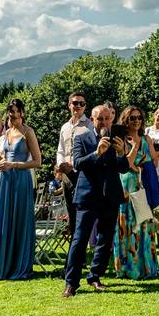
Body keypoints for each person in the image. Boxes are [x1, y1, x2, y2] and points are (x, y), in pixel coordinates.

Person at [62, 105, 129, 298]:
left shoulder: (118, 139)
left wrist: (121, 153)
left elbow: (124, 168)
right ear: (92, 119)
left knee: (105, 238)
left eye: (108, 118)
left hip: (111, 195)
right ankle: (71, 283)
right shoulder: (82, 138)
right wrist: (96, 153)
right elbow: (77, 164)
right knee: (79, 239)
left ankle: (95, 276)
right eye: (100, 119)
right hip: (88, 195)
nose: (105, 122)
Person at [0, 99, 41, 280]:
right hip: (7, 181)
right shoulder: (6, 133)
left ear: (22, 113)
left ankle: (19, 265)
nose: (12, 114)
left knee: (20, 220)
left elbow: (37, 161)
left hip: (21, 179)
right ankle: (4, 265)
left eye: (15, 111)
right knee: (5, 221)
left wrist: (13, 164)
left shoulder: (28, 132)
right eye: (10, 111)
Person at [113, 106, 159, 279]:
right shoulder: (122, 140)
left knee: (144, 225)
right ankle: (129, 268)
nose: (137, 121)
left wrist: (147, 153)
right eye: (132, 118)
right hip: (127, 186)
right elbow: (128, 165)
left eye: (139, 117)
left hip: (143, 185)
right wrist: (135, 149)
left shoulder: (146, 138)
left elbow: (154, 161)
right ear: (126, 119)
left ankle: (147, 266)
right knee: (128, 226)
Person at [56, 92, 93, 238]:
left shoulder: (89, 126)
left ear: (85, 107)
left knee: (82, 211)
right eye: (75, 103)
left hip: (82, 174)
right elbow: (60, 150)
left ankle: (82, 246)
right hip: (66, 174)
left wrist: (74, 164)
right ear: (69, 105)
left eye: (81, 104)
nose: (78, 106)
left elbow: (92, 151)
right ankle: (74, 246)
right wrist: (60, 164)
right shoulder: (65, 127)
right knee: (70, 211)